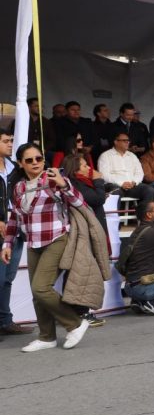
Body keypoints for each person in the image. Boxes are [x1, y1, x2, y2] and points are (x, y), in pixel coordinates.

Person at [2, 143, 92, 351]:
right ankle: (46, 337)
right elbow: (15, 218)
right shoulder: (19, 187)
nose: (35, 163)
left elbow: (80, 203)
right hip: (33, 242)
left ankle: (75, 323)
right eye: (29, 160)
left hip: (57, 238)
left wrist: (64, 185)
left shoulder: (53, 179)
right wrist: (7, 243)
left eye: (39, 158)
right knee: (38, 293)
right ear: (20, 163)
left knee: (41, 288)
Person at [0, 131, 34, 338]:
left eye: (11, 140)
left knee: (7, 278)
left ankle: (5, 321)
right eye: (6, 141)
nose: (10, 144)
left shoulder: (15, 168)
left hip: (15, 228)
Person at [98, 131, 154, 218]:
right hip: (115, 186)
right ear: (116, 142)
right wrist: (121, 183)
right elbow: (104, 175)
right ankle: (114, 221)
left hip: (132, 186)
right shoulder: (105, 156)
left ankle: (144, 218)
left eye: (128, 140)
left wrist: (134, 182)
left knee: (149, 189)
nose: (127, 142)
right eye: (124, 140)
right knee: (115, 191)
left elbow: (140, 173)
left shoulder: (132, 156)